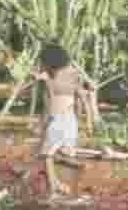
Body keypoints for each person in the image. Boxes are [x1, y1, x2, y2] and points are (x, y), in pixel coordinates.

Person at [30, 43, 90, 199]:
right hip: (70, 120)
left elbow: (50, 101)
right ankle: (66, 185)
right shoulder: (73, 74)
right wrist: (87, 119)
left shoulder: (51, 79)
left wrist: (43, 123)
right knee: (63, 153)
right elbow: (81, 97)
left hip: (58, 118)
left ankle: (54, 186)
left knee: (47, 154)